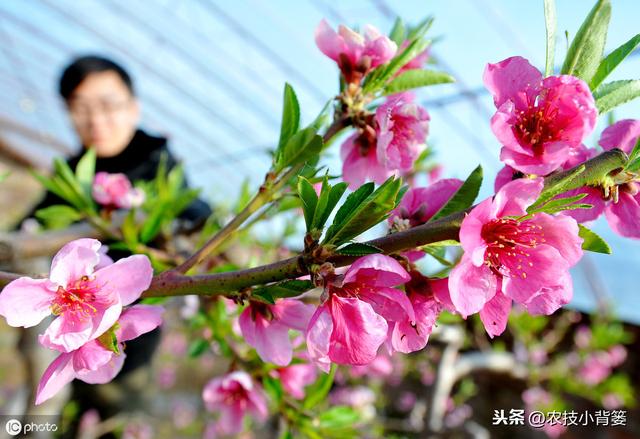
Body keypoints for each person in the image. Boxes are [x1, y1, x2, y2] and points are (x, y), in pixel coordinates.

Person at [29, 55, 211, 437]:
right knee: (73, 409)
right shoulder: (74, 172)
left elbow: (195, 207)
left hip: (130, 323)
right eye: (80, 109)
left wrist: (168, 220)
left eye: (108, 105)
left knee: (119, 409)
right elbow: (34, 222)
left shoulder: (155, 158)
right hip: (76, 322)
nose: (96, 120)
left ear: (133, 107)